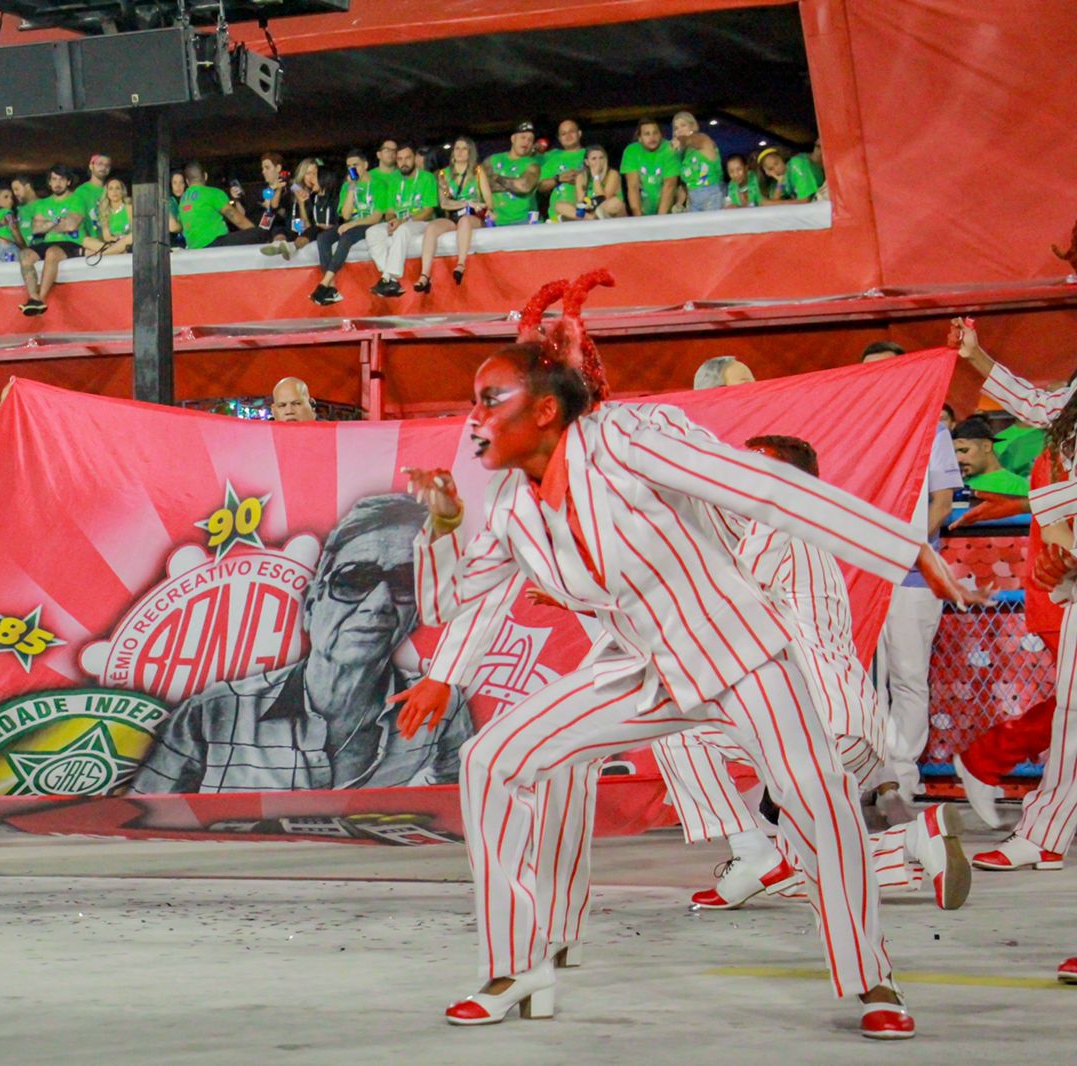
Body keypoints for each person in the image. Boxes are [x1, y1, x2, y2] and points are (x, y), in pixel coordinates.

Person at [395, 270, 929, 1037]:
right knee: (494, 759)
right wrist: (442, 529)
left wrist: (903, 548)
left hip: (738, 653)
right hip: (637, 667)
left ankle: (872, 977)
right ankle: (519, 965)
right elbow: (452, 603)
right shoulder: (513, 506)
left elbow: (764, 490)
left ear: (553, 404)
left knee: (819, 798)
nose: (475, 419)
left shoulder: (642, 438)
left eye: (494, 399)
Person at [652, 434, 979, 913]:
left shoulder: (774, 521)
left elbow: (723, 602)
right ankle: (916, 842)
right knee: (801, 862)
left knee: (671, 726)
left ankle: (750, 852)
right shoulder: (806, 529)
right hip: (850, 723)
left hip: (812, 722)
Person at [133, 495, 472, 794]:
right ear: (311, 606)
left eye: (403, 583)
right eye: (356, 579)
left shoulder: (441, 707)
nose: (379, 602)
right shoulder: (214, 714)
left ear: (415, 614)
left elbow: (458, 811)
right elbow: (139, 825)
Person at [953, 320, 1077, 875]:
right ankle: (1046, 834)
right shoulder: (1068, 406)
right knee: (1071, 718)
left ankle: (1044, 831)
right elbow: (1033, 402)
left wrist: (1054, 512)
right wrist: (977, 356)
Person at [860, 340, 961, 818]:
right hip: (858, 575)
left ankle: (899, 777)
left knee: (907, 677)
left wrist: (908, 546)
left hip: (913, 576)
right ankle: (866, 773)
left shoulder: (931, 428)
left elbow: (942, 501)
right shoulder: (853, 428)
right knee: (858, 680)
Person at [415, 136, 491, 291]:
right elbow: (444, 203)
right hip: (453, 215)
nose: (460, 152)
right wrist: (465, 203)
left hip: (472, 216)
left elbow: (489, 201)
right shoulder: (443, 174)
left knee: (464, 222)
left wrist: (478, 206)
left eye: (464, 149)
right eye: (457, 148)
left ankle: (461, 264)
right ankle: (424, 275)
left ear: (470, 152)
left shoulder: (477, 172)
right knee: (432, 228)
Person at [364, 145, 439, 297]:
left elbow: (428, 210)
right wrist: (392, 221)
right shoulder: (394, 179)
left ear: (415, 159)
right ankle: (390, 279)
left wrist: (404, 220)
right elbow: (389, 212)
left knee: (402, 230)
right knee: (372, 232)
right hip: (399, 221)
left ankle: (388, 277)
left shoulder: (426, 178)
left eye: (407, 158)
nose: (404, 162)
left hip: (420, 222)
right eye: (400, 159)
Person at [310, 150, 383, 306]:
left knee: (347, 235)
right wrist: (351, 188)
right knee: (323, 238)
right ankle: (332, 288)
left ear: (366, 165)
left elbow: (376, 217)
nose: (352, 169)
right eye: (349, 166)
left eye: (355, 165)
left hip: (370, 224)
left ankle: (324, 283)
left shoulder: (378, 184)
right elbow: (346, 215)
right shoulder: (347, 187)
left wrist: (353, 224)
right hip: (352, 223)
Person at [17, 165, 85, 316]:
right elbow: (36, 228)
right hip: (47, 242)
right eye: (54, 179)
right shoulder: (42, 203)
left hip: (70, 242)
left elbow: (71, 225)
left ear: (68, 182)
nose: (57, 183)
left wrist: (47, 224)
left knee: (52, 253)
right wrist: (59, 222)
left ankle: (40, 300)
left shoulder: (76, 200)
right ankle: (33, 296)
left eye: (61, 179)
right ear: (49, 182)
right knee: (24, 255)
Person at [483, 122, 542, 227]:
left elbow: (524, 186)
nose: (526, 142)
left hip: (524, 221)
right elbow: (481, 185)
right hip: (494, 222)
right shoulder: (492, 160)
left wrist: (497, 178)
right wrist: (514, 183)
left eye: (530, 140)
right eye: (523, 137)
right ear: (513, 139)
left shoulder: (533, 164)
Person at [953, 417, 1030, 496]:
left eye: (964, 450)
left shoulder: (1019, 487)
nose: (958, 459)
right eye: (954, 453)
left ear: (986, 446)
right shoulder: (955, 487)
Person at [620, 118, 682, 216]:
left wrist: (660, 219)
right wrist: (639, 218)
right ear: (639, 138)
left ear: (661, 135)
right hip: (644, 209)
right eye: (647, 134)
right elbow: (633, 186)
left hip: (669, 211)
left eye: (655, 133)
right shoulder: (631, 151)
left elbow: (670, 185)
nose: (652, 137)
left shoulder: (669, 149)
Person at [670, 111, 724, 211]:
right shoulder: (685, 154)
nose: (679, 130)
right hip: (692, 199)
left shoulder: (703, 139)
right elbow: (685, 184)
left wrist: (680, 141)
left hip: (712, 196)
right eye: (676, 128)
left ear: (693, 126)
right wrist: (678, 203)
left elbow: (690, 140)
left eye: (683, 125)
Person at [539, 119, 587, 222]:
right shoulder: (554, 158)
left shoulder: (591, 154)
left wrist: (581, 177)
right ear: (559, 138)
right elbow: (541, 186)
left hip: (587, 212)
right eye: (563, 133)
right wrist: (559, 178)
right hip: (557, 217)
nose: (568, 135)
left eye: (571, 131)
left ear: (579, 133)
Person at [564, 146, 625, 221]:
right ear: (587, 162)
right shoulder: (581, 177)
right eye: (594, 159)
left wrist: (596, 177)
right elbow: (580, 202)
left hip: (609, 212)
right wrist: (587, 209)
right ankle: (591, 218)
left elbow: (603, 199)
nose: (598, 162)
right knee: (560, 206)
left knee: (615, 202)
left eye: (601, 158)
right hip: (589, 212)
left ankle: (576, 218)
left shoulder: (613, 174)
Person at [85, 178, 134, 256]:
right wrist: (116, 242)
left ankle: (101, 254)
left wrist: (121, 240)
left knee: (132, 237)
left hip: (127, 241)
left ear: (122, 191)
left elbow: (134, 231)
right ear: (107, 193)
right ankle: (115, 251)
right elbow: (107, 237)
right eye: (111, 189)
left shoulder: (129, 207)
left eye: (117, 188)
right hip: (112, 243)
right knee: (86, 241)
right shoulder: (105, 211)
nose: (114, 192)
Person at [72, 153, 112, 239]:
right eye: (100, 164)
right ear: (91, 166)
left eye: (107, 165)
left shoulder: (112, 190)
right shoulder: (81, 192)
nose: (103, 167)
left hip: (113, 240)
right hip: (91, 243)